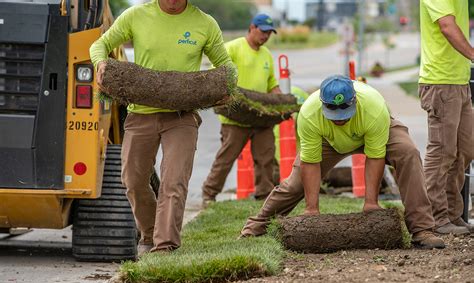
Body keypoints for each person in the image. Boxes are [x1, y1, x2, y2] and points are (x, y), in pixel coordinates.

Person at [90, 0, 233, 256]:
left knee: (174, 181)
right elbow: (100, 44)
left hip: (181, 117)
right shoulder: (136, 15)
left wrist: (223, 89)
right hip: (140, 114)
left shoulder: (204, 23)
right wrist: (100, 62)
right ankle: (149, 232)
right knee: (133, 181)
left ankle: (164, 246)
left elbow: (225, 66)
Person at [240, 75, 446, 250]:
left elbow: (375, 157)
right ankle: (255, 227)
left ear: (354, 101)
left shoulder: (373, 108)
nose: (339, 118)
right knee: (294, 184)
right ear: (323, 105)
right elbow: (310, 163)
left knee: (408, 153)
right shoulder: (309, 115)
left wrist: (371, 203)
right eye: (333, 114)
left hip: (372, 129)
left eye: (344, 112)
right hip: (328, 140)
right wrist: (312, 209)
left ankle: (421, 229)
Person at [201, 13, 282, 205]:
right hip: (234, 117)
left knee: (266, 157)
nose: (266, 36)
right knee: (226, 158)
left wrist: (282, 101)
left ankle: (264, 195)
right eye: (263, 31)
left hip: (260, 117)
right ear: (252, 27)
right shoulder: (234, 48)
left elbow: (272, 84)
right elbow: (218, 74)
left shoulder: (266, 55)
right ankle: (209, 194)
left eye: (269, 33)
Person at [419, 0, 474, 234]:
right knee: (442, 151)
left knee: (464, 150)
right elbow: (447, 26)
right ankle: (435, 218)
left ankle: (453, 214)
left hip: (459, 81)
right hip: (440, 82)